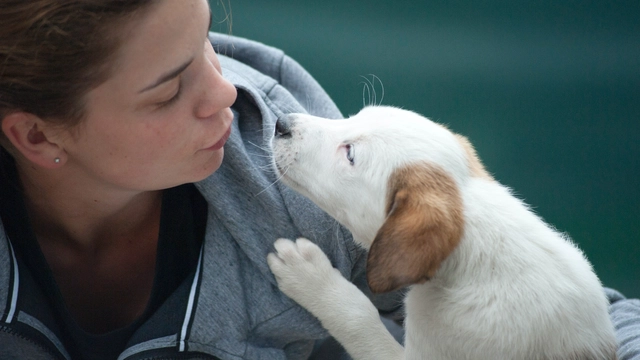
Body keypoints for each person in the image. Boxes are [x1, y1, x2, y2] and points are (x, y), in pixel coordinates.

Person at [0, 1, 637, 359]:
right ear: (35, 136)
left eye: (207, 42)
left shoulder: (297, 196)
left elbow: (582, 319)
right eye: (169, 90)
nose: (226, 89)